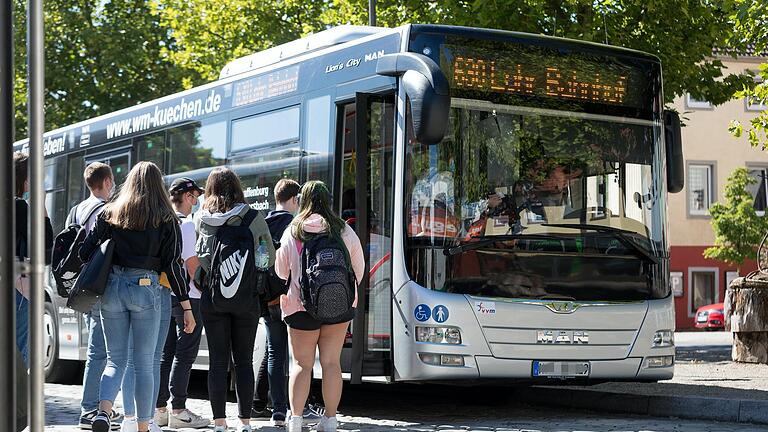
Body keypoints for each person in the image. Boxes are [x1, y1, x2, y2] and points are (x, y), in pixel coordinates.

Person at [78, 162, 195, 432]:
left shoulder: (111, 211)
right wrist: (186, 307)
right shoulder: (167, 217)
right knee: (144, 364)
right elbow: (173, 265)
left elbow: (85, 252)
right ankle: (143, 427)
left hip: (112, 289)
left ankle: (103, 411)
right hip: (146, 288)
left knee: (115, 359)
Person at [276, 181, 365, 432]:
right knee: (331, 363)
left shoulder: (293, 231)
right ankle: (330, 419)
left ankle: (295, 420)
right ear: (329, 201)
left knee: (302, 364)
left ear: (302, 200)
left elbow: (281, 272)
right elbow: (358, 270)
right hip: (338, 305)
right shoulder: (344, 231)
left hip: (300, 307)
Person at [196, 167, 275, 432]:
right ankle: (245, 422)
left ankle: (219, 422)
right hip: (246, 299)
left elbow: (199, 259)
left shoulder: (202, 218)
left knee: (218, 361)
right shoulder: (253, 217)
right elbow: (267, 257)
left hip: (213, 298)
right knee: (243, 361)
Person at [153, 177, 209, 429]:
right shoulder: (186, 225)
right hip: (188, 296)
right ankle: (179, 408)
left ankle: (160, 408)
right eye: (195, 196)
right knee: (185, 353)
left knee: (166, 353)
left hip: (166, 294)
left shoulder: (163, 221)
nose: (196, 201)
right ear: (187, 197)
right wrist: (204, 285)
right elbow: (191, 263)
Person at [71, 163, 123, 430]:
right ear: (106, 182)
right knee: (101, 352)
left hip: (84, 285)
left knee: (95, 351)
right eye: (112, 181)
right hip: (102, 285)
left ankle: (90, 407)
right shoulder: (105, 211)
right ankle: (91, 409)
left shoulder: (77, 209)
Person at [252, 179, 300, 426]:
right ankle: (298, 408)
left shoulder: (263, 223)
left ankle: (277, 411)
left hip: (268, 297)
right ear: (294, 200)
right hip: (290, 297)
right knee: (298, 357)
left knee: (275, 352)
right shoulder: (294, 225)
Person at [13, 152, 53, 366]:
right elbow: (46, 244)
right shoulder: (19, 206)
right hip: (18, 285)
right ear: (26, 179)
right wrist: (41, 203)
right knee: (20, 348)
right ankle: (15, 398)